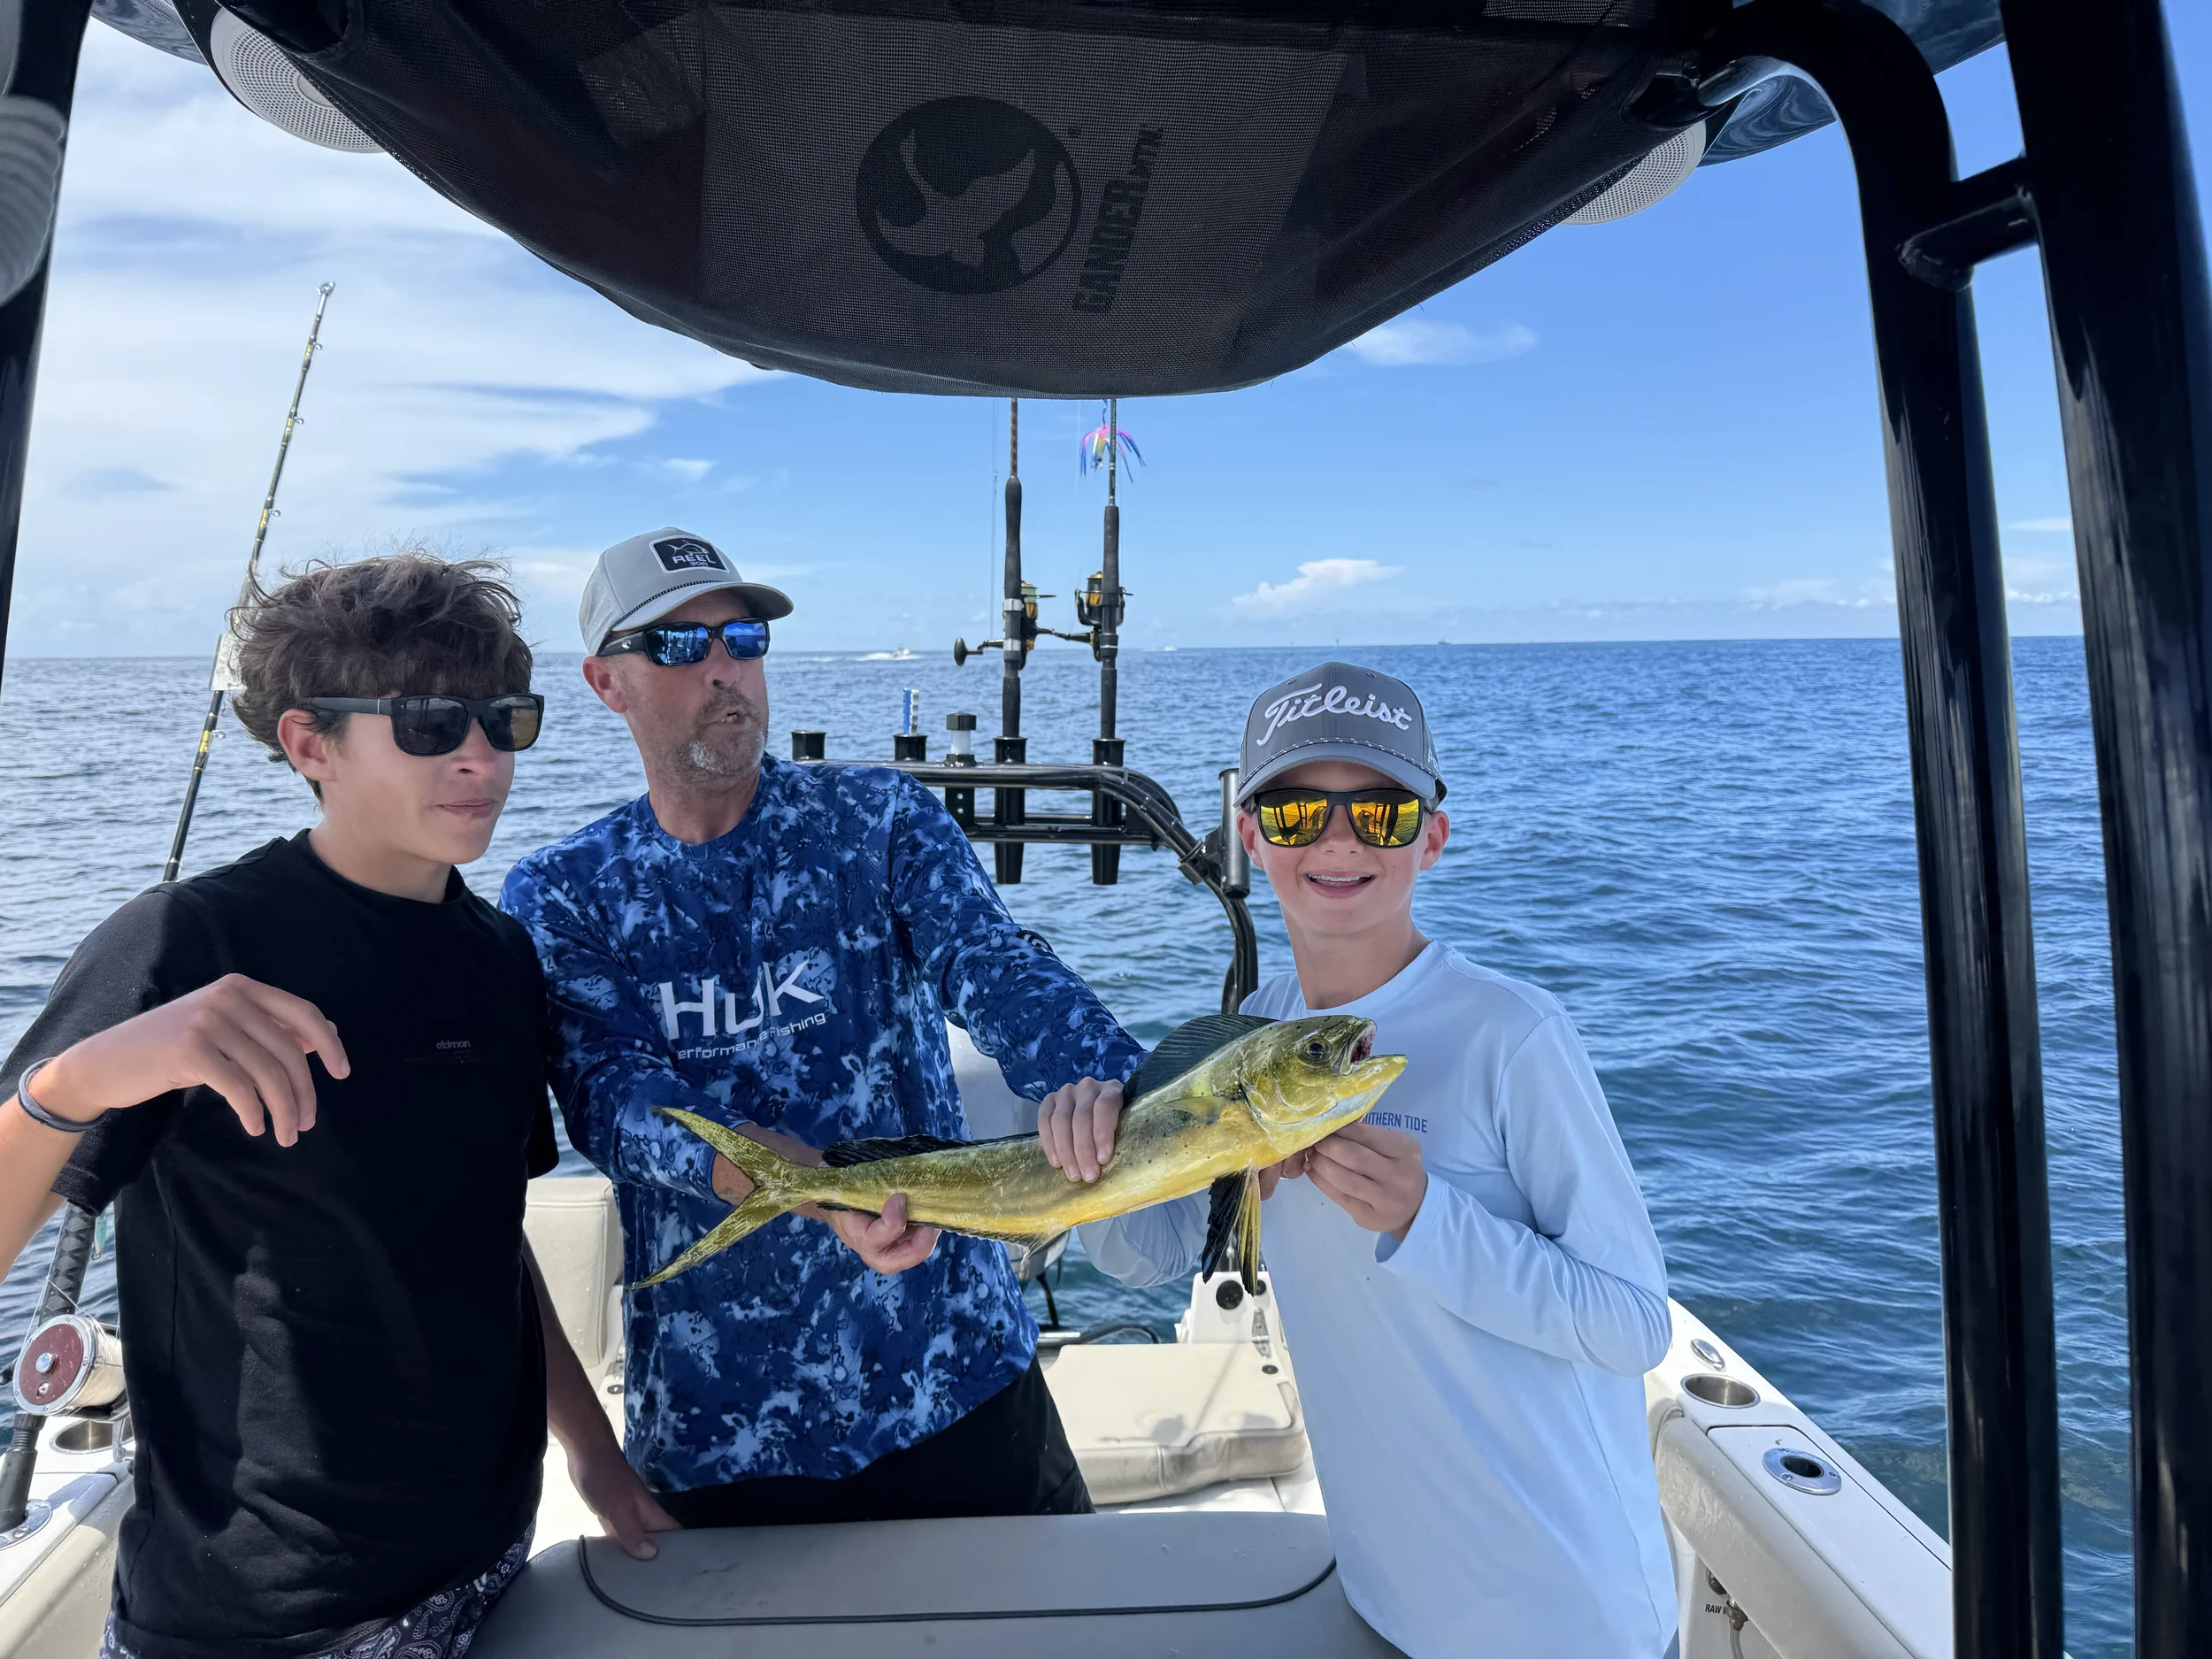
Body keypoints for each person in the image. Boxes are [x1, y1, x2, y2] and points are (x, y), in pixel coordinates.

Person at [0, 555, 674, 1659]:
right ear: (310, 744)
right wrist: (84, 1080)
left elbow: (487, 1235)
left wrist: (592, 1453)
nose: (480, 756)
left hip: (489, 1560)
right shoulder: (185, 942)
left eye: (504, 720)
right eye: (428, 723)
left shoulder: (500, 957)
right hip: (262, 1617)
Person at [500, 527, 1141, 1528]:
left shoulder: (879, 818)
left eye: (744, 637)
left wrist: (1113, 1080)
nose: (724, 668)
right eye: (680, 644)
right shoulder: (565, 892)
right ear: (605, 682)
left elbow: (991, 963)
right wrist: (804, 1183)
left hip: (959, 1377)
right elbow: (613, 1100)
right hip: (726, 1429)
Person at [1047, 662, 1678, 1659]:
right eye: (1298, 812)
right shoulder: (1249, 1038)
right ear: (1251, 835)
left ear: (1432, 836)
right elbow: (1148, 1254)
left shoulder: (1513, 1035)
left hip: (1556, 1614)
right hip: (1382, 1597)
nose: (1338, 841)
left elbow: (1633, 1323)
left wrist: (1427, 1219)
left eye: (1379, 813)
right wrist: (1090, 1164)